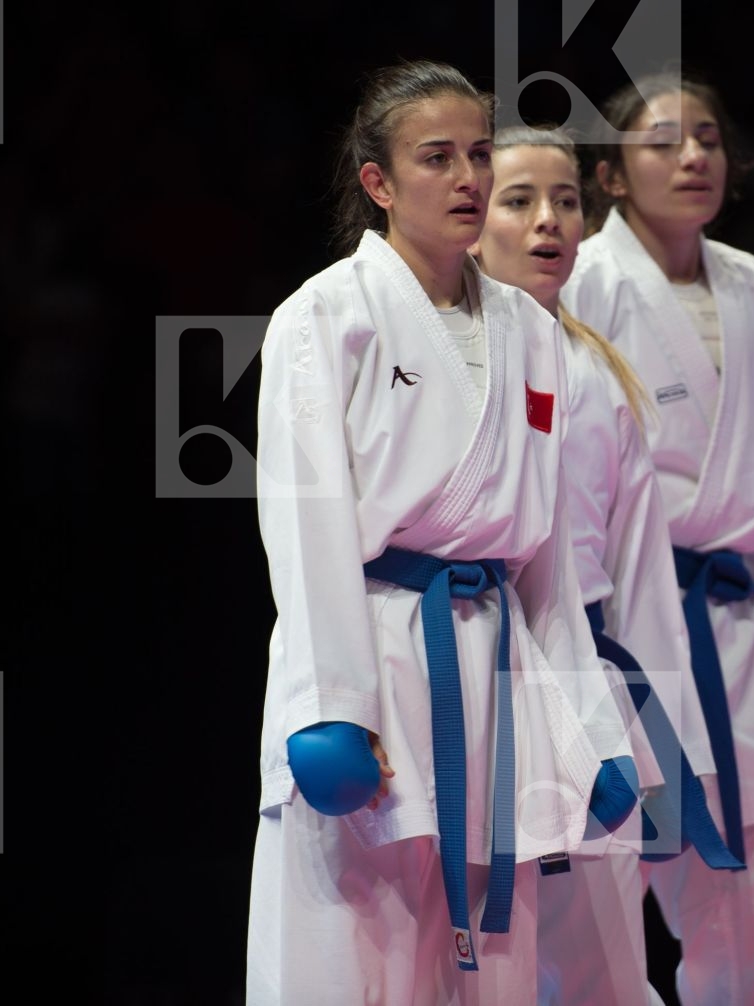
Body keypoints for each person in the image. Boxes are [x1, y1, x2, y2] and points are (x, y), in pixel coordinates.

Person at [245, 62, 637, 1006]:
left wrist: (592, 723)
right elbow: (308, 528)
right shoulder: (325, 316)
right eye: (437, 158)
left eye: (478, 154)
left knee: (491, 964)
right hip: (376, 653)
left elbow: (542, 551)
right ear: (378, 184)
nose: (467, 178)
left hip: (495, 662)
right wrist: (329, 707)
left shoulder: (529, 330)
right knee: (354, 955)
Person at [562, 74, 754, 1004]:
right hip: (616, 643)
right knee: (591, 929)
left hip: (730, 635)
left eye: (710, 139)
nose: (694, 158)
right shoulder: (583, 279)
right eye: (664, 143)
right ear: (609, 174)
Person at [469, 126, 739, 1006]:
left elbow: (642, 580)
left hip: (591, 686)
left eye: (567, 201)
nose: (549, 222)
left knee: (609, 974)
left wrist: (673, 753)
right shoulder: (446, 358)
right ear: (472, 219)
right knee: (477, 962)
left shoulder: (597, 371)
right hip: (478, 675)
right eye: (520, 201)